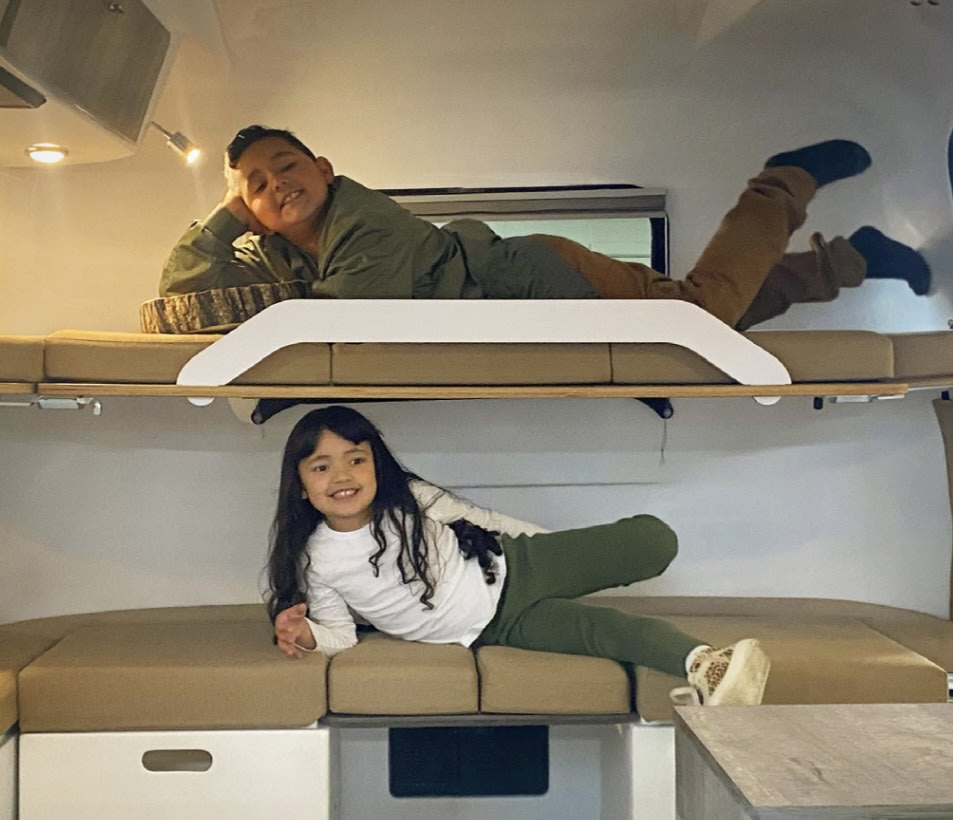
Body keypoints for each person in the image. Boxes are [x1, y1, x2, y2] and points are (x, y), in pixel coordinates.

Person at [159, 125, 931, 332]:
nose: (276, 186)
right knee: (715, 338)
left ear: (323, 167)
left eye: (286, 165)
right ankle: (853, 261)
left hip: (545, 280)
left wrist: (252, 217)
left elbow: (347, 324)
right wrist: (230, 215)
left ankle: (782, 181)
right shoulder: (286, 255)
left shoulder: (364, 225)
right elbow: (182, 290)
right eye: (257, 185)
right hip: (529, 294)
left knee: (700, 315)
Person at [264, 404, 770, 707]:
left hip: (515, 563)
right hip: (494, 626)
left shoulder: (409, 499)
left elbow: (483, 521)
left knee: (655, 540)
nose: (343, 476)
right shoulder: (318, 561)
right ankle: (708, 665)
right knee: (603, 630)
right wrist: (305, 634)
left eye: (357, 460)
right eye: (322, 467)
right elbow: (341, 637)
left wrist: (556, 553)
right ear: (303, 487)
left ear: (377, 466)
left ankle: (705, 655)